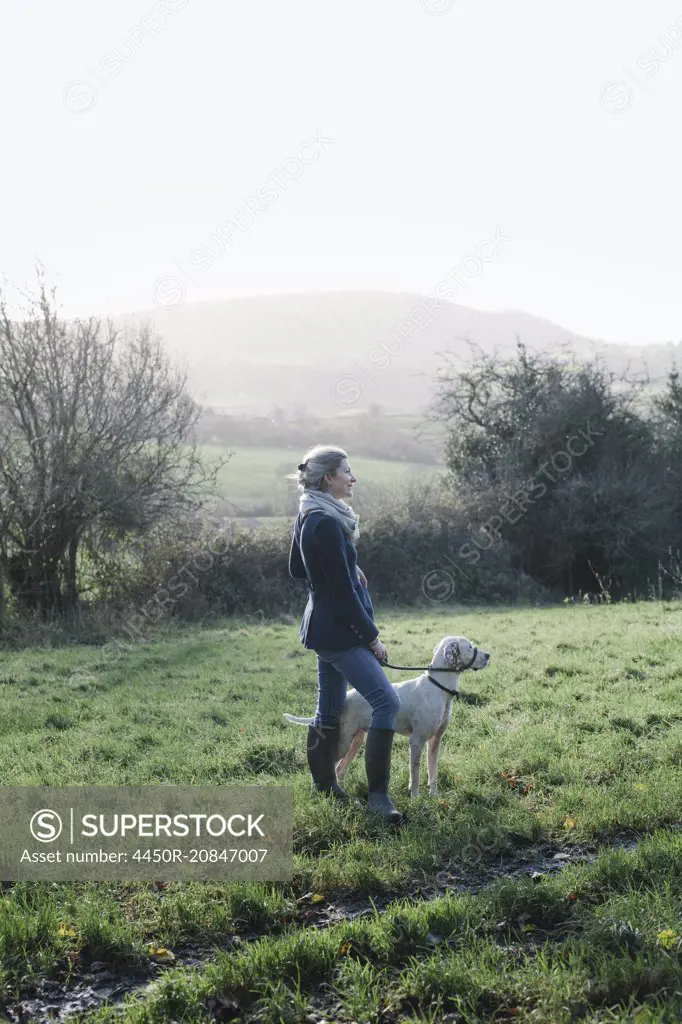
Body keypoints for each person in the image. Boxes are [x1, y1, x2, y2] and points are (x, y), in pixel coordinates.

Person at [288, 445, 402, 824]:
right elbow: (342, 597)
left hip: (322, 626)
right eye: (347, 472)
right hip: (338, 632)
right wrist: (372, 638)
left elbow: (296, 568)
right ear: (328, 478)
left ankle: (324, 787)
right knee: (386, 702)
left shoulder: (310, 511)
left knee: (330, 707)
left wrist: (344, 569)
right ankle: (378, 799)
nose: (353, 479)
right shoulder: (325, 522)